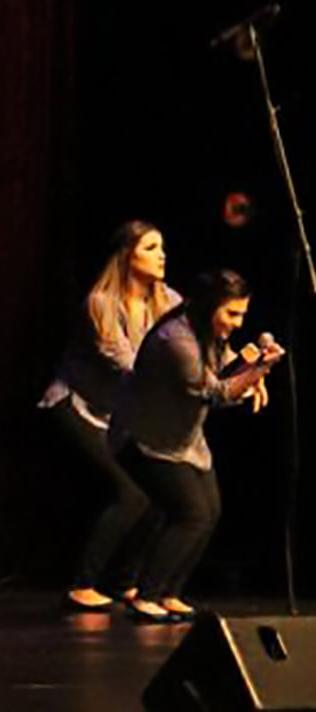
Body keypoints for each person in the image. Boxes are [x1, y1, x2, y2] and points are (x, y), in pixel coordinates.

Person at [112, 269, 281, 623]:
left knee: (210, 511)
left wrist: (251, 375)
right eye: (231, 314)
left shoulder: (208, 334)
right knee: (191, 514)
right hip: (144, 438)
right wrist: (257, 373)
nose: (237, 323)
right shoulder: (177, 339)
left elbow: (224, 372)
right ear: (209, 307)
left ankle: (169, 592)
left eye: (242, 315)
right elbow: (213, 392)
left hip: (182, 438)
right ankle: (147, 594)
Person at [38, 221, 179, 611]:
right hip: (77, 405)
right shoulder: (101, 304)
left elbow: (203, 342)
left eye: (162, 247)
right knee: (132, 492)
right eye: (151, 247)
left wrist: (247, 370)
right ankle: (83, 584)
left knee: (157, 493)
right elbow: (130, 367)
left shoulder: (168, 301)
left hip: (120, 415)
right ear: (127, 256)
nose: (162, 255)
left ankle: (124, 583)